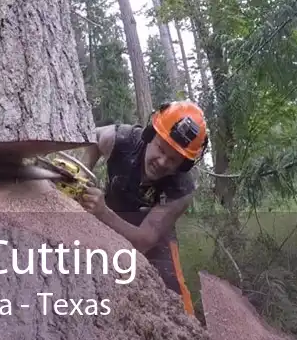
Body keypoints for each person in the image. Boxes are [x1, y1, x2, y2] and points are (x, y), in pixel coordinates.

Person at [77, 101, 209, 316]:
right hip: (112, 212)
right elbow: (94, 138)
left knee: (175, 294)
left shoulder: (182, 188)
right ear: (149, 135)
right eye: (161, 149)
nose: (163, 161)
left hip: (153, 234)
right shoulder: (122, 139)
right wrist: (82, 174)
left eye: (173, 159)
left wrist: (102, 213)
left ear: (184, 165)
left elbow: (145, 241)